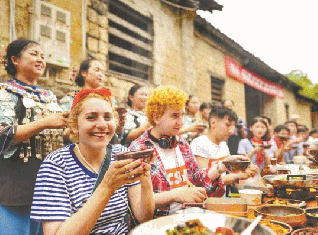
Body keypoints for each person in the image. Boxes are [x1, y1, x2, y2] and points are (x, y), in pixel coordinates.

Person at [30, 88, 154, 234]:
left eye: (108, 117)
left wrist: (146, 183)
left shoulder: (122, 154)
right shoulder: (56, 165)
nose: (102, 125)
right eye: (91, 117)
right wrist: (107, 187)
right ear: (74, 126)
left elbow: (144, 217)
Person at [129, 85, 248, 218]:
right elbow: (139, 205)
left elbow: (198, 178)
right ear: (156, 118)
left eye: (182, 116)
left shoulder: (181, 143)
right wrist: (175, 195)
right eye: (174, 116)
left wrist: (222, 166)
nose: (180, 123)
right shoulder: (138, 150)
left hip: (188, 218)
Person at [0, 39, 68, 235]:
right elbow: (2, 136)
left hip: (50, 186)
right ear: (15, 60)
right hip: (16, 187)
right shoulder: (5, 93)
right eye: (34, 54)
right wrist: (45, 122)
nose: (40, 59)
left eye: (43, 56)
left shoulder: (49, 96)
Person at [190, 105, 258, 189]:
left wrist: (246, 171)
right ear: (213, 123)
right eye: (227, 125)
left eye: (233, 126)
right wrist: (237, 176)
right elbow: (204, 180)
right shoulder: (200, 143)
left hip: (221, 198)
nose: (232, 131)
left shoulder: (223, 144)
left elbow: (233, 171)